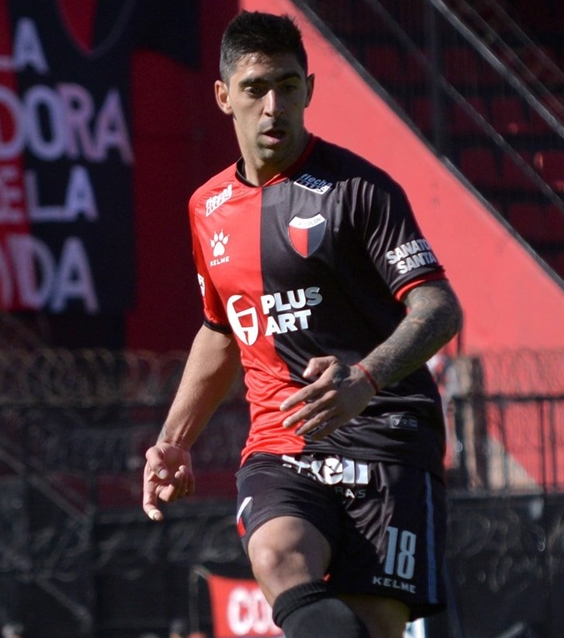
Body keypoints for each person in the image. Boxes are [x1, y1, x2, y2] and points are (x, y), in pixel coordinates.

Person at [142, 11, 462, 638]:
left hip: (388, 436)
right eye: (256, 88)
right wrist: (175, 440)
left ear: (308, 91)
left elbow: (438, 307)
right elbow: (221, 328)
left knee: (374, 626)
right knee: (277, 555)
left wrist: (365, 379)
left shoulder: (360, 190)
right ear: (224, 97)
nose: (273, 107)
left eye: (288, 87)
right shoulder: (206, 208)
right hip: (282, 441)